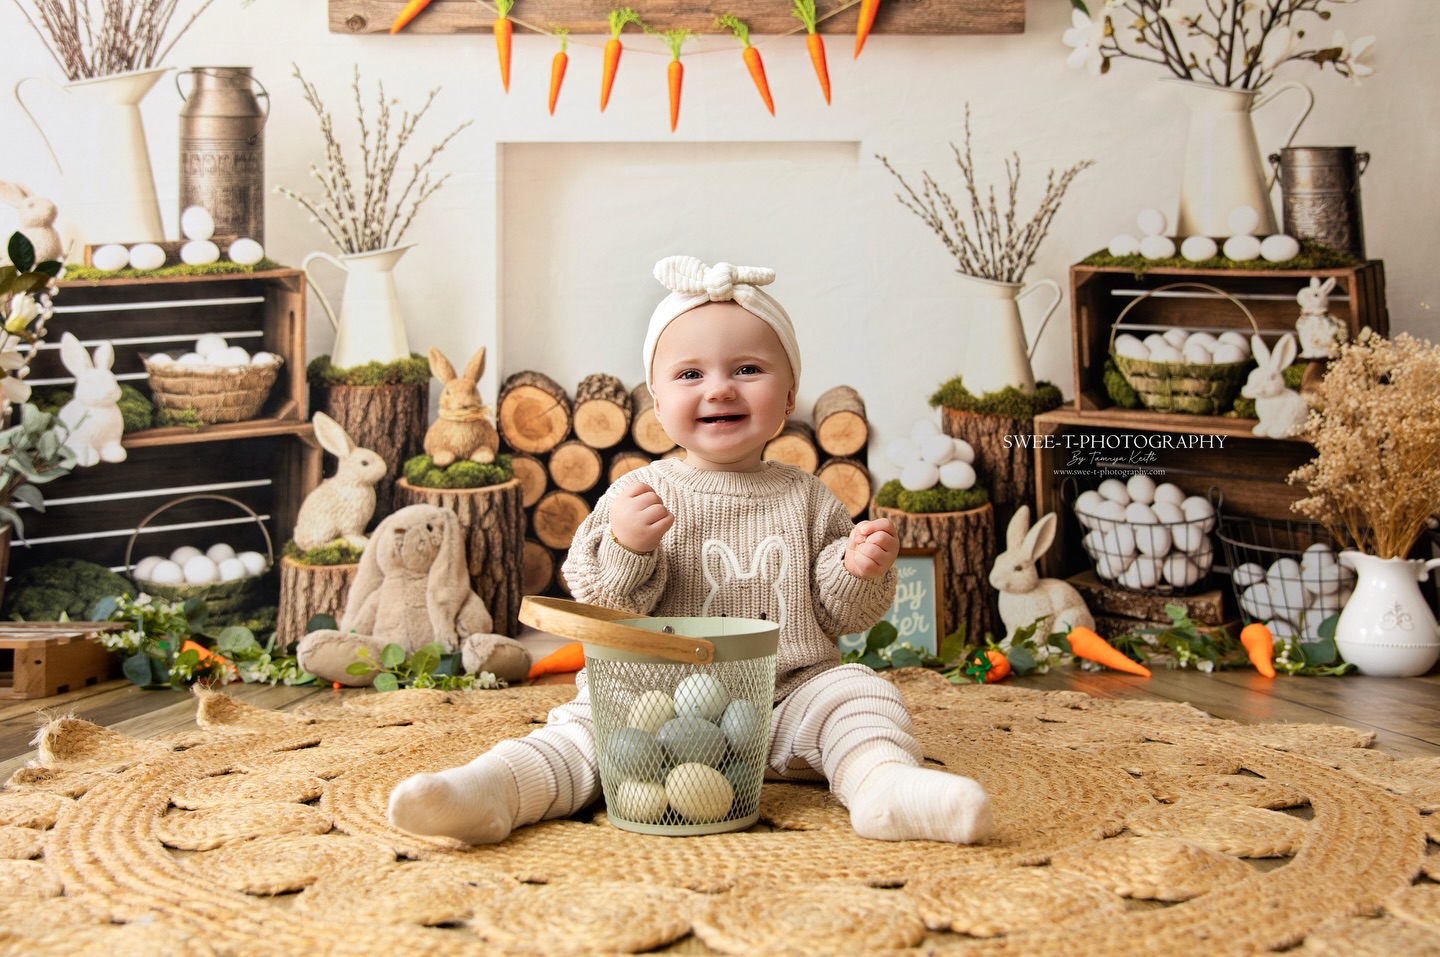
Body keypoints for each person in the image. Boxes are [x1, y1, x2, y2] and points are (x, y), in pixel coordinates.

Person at [388, 255, 994, 846]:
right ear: (657, 401)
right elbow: (600, 601)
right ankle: (495, 790)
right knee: (579, 733)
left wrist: (856, 569)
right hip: (648, 703)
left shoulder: (810, 498)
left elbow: (843, 616)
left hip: (786, 699)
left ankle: (883, 786)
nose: (720, 389)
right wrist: (627, 547)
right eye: (690, 375)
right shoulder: (639, 493)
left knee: (860, 695)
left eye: (748, 369)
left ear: (789, 397)